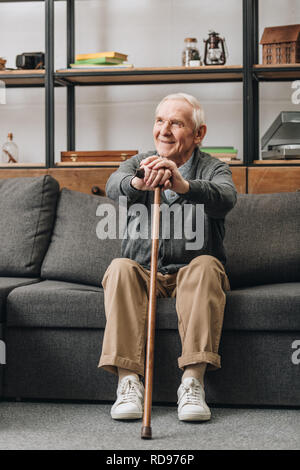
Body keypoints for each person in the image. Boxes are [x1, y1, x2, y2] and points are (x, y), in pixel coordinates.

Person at [98, 92, 237, 422]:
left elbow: (226, 198)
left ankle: (192, 383)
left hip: (192, 272)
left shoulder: (214, 167)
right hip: (144, 272)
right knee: (119, 267)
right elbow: (112, 185)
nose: (164, 130)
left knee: (207, 266)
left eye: (176, 123)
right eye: (160, 121)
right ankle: (128, 382)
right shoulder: (139, 161)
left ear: (198, 134)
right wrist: (138, 182)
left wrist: (183, 184)